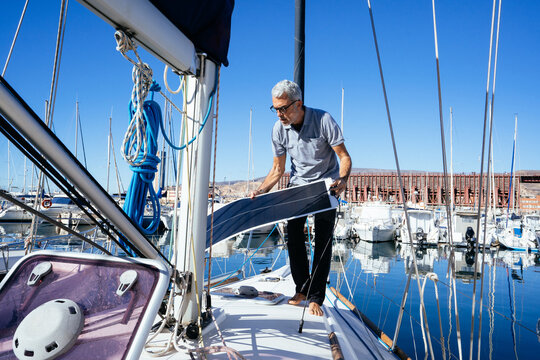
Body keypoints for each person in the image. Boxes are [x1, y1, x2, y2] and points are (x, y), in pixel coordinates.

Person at [250, 80, 351, 316]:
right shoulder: (278, 129)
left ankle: (316, 297)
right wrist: (261, 190)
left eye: (283, 108)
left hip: (326, 186)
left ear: (299, 104)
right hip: (298, 186)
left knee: (322, 240)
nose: (279, 114)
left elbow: (344, 157)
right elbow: (277, 169)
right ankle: (302, 290)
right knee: (293, 235)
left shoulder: (323, 120)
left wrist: (343, 180)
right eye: (275, 108)